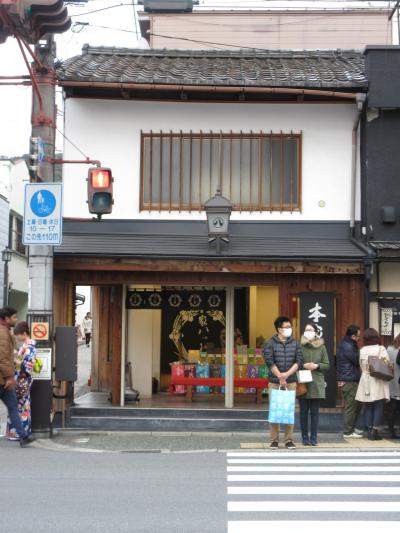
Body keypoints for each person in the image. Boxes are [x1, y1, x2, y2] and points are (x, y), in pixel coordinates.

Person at [264, 316, 303, 449]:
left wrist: (286, 375)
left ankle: (289, 440)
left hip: (290, 382)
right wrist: (280, 376)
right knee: (275, 410)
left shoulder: (295, 343)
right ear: (279, 329)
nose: (290, 329)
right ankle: (274, 440)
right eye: (287, 327)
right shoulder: (270, 343)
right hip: (275, 382)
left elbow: (299, 361)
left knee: (289, 410)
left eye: (290, 327)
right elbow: (269, 361)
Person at [0, 307, 34, 447]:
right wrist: (9, 377)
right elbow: (3, 358)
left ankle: (23, 435)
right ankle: (23, 435)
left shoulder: (6, 331)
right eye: (14, 317)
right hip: (4, 379)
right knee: (13, 407)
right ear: (7, 318)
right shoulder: (2, 333)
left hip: (6, 379)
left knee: (13, 406)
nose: (16, 319)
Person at [356, 328, 391, 441]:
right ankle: (374, 431)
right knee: (378, 404)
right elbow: (387, 363)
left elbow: (361, 365)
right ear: (376, 338)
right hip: (377, 378)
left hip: (365, 378)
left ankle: (369, 429)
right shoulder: (381, 349)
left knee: (368, 405)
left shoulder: (362, 350)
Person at [299, 323, 330, 446]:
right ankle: (304, 437)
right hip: (303, 382)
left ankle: (314, 437)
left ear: (316, 332)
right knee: (303, 412)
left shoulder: (322, 347)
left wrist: (317, 366)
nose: (308, 331)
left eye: (311, 330)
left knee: (315, 413)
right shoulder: (300, 346)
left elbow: (327, 365)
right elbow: (295, 362)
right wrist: (303, 365)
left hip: (317, 383)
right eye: (306, 329)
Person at [6, 322, 37, 440]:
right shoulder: (26, 346)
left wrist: (16, 360)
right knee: (19, 405)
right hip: (21, 379)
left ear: (24, 333)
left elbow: (28, 366)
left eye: (17, 334)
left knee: (21, 406)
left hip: (22, 379)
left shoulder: (29, 348)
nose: (16, 337)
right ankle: (18, 432)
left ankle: (20, 433)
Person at [336, 324, 363, 438]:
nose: (359, 338)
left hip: (347, 378)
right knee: (351, 406)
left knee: (352, 405)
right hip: (349, 379)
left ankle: (351, 429)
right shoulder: (349, 346)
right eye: (358, 336)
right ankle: (348, 431)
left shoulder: (345, 343)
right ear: (353, 336)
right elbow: (357, 361)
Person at [386, 333, 400, 439]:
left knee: (392, 408)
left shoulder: (388, 349)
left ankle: (391, 430)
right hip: (398, 382)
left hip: (390, 381)